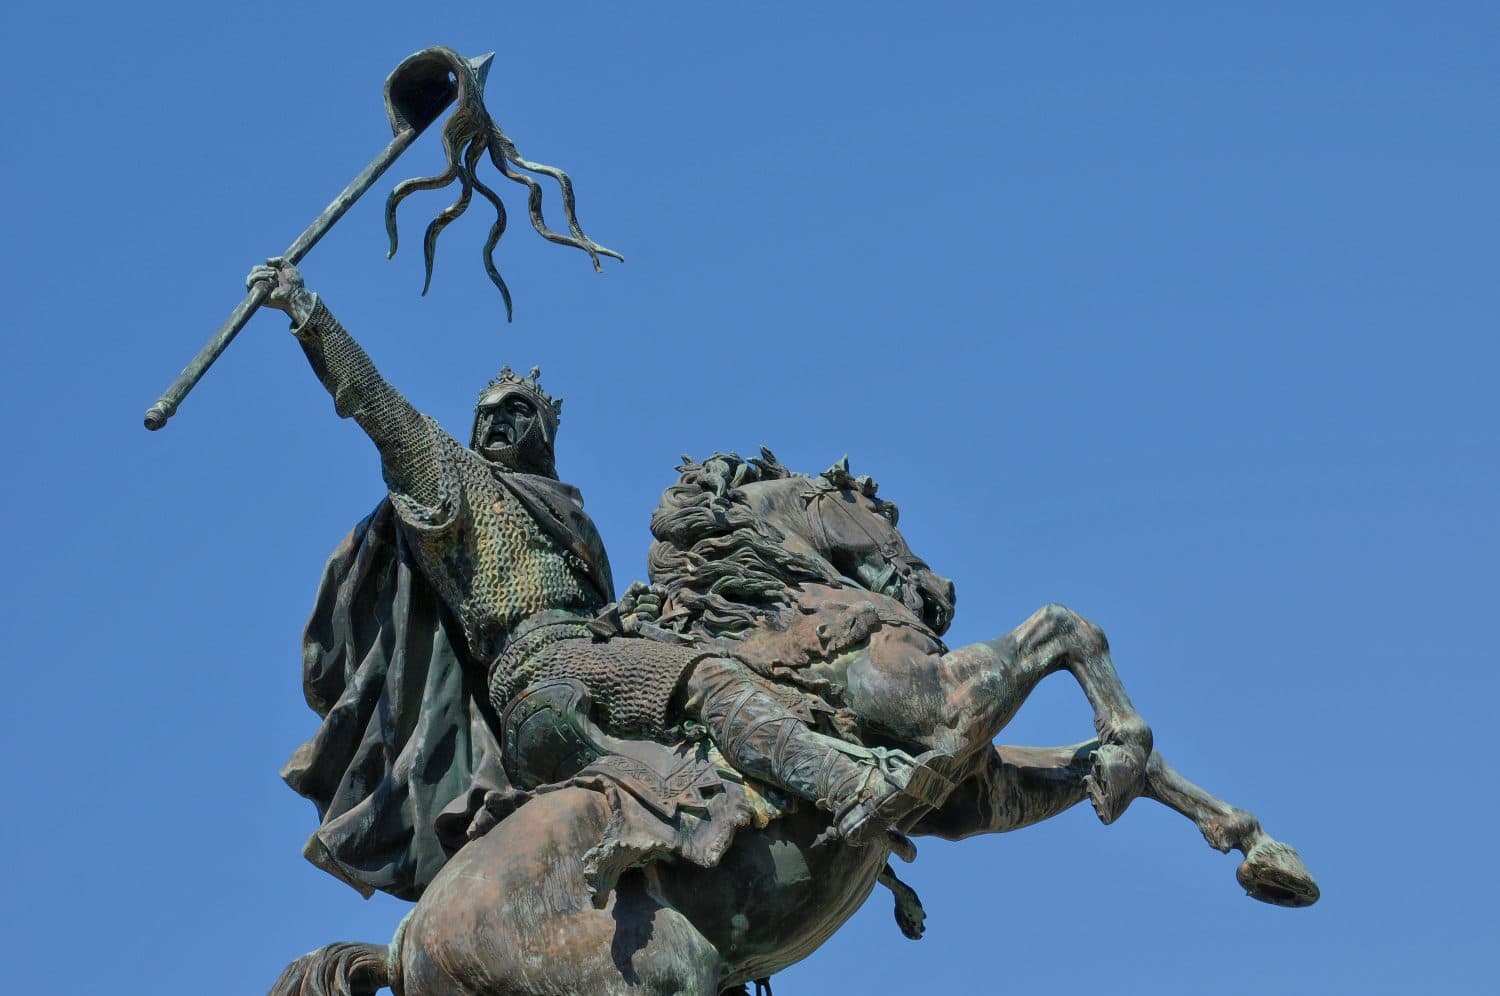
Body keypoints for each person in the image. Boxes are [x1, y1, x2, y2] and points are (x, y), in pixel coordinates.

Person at [251, 259, 949, 883]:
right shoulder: (454, 483)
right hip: (542, 669)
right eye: (485, 417)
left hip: (593, 652)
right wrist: (309, 314)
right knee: (704, 676)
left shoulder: (566, 515)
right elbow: (379, 407)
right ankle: (850, 789)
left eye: (514, 413)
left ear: (544, 432)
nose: (495, 426)